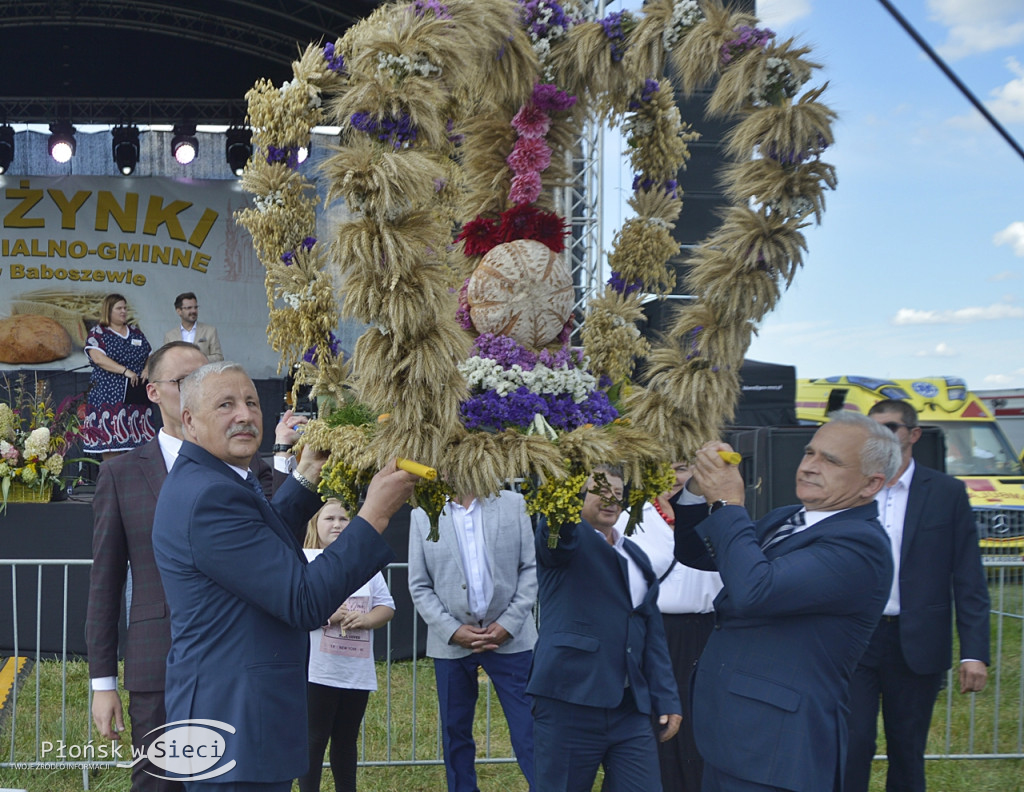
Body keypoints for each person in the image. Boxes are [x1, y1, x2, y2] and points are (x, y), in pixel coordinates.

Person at [152, 361, 418, 791]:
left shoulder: (212, 479)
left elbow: (257, 545)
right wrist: (374, 515)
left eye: (252, 402)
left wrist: (307, 474)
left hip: (241, 720)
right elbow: (302, 600)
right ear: (189, 420)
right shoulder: (209, 495)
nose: (245, 415)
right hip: (235, 726)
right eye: (226, 404)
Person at [86, 342, 283, 792]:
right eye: (183, 382)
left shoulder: (245, 467)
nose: (199, 387)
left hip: (238, 670)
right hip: (158, 664)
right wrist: (102, 683)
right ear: (153, 392)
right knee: (160, 783)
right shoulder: (122, 474)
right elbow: (104, 583)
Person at [672, 411, 900, 792]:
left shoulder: (861, 546)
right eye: (810, 452)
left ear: (871, 484)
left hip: (776, 751)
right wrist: (699, 487)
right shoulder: (789, 518)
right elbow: (698, 553)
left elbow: (755, 590)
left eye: (830, 460)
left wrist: (729, 504)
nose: (810, 466)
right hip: (736, 737)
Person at [843, 400, 990, 792]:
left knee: (907, 750)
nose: (881, 436)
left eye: (890, 427)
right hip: (855, 639)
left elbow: (969, 576)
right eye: (872, 429)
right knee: (851, 744)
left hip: (917, 641)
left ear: (913, 434)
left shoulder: (946, 493)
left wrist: (974, 652)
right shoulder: (851, 487)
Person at [528, 464, 682, 792]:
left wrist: (666, 697)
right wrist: (564, 483)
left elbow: (651, 630)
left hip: (630, 709)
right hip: (570, 701)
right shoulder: (563, 537)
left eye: (616, 491)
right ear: (577, 494)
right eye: (599, 489)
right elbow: (556, 535)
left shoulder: (634, 554)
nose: (610, 498)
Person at [407, 489, 538, 792]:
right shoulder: (421, 511)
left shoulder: (512, 503)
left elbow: (530, 568)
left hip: (513, 639)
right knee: (455, 733)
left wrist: (509, 622)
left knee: (529, 727)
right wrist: (451, 630)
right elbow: (419, 584)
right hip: (451, 643)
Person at [615, 461, 722, 792]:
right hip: (655, 635)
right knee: (657, 726)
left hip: (710, 634)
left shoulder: (722, 512)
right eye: (666, 468)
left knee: (702, 728)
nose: (674, 479)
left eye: (683, 468)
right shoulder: (629, 517)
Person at [298, 499, 396, 792]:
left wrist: (366, 620)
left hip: (355, 671)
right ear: (315, 524)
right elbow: (295, 608)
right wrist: (325, 615)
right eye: (329, 518)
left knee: (346, 739)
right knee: (314, 739)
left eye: (344, 518)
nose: (338, 524)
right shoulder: (303, 560)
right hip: (317, 671)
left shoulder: (362, 563)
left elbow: (387, 606)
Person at [83, 293, 155, 460]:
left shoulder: (136, 332)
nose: (124, 311)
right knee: (110, 443)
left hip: (136, 395)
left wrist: (147, 369)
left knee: (137, 444)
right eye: (119, 308)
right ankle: (112, 481)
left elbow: (150, 355)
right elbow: (98, 358)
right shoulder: (98, 333)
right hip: (108, 396)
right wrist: (125, 371)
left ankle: (135, 482)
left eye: (125, 308)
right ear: (108, 311)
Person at [163, 292, 223, 361]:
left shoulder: (210, 331)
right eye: (189, 308)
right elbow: (166, 360)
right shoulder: (170, 336)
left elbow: (219, 358)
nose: (194, 311)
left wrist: (198, 359)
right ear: (179, 311)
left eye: (195, 307)